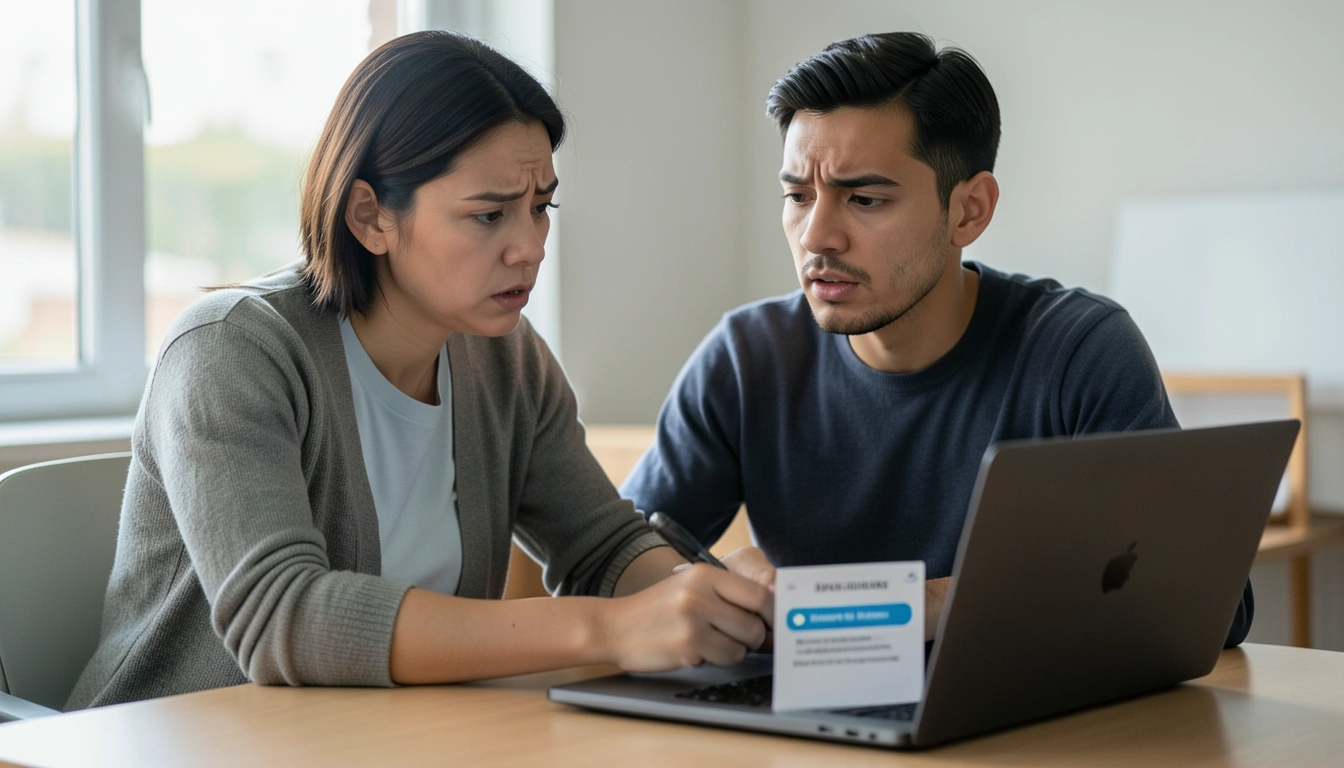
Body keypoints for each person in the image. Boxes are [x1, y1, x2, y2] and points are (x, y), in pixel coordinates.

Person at [68, 31, 773, 710]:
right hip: (169, 743)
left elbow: (603, 547)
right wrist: (608, 629)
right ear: (370, 217)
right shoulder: (231, 350)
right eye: (489, 215)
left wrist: (708, 598)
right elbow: (287, 618)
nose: (530, 247)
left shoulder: (508, 359)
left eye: (540, 207)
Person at [620, 31, 1253, 647]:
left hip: (1015, 714)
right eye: (797, 195)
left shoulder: (1077, 351)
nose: (815, 236)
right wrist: (712, 587)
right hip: (806, 713)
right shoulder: (746, 359)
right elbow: (614, 567)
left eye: (864, 199)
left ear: (969, 210)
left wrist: (910, 607)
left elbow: (1214, 605)